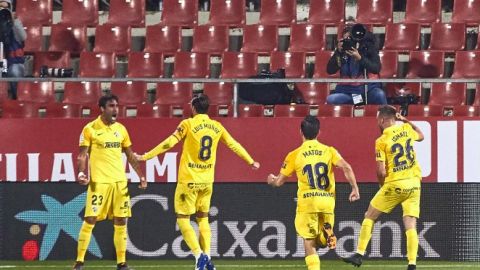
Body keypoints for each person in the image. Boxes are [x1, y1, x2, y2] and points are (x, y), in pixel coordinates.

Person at [136, 94, 260, 270]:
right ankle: (207, 258)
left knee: (182, 219)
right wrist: (250, 161)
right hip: (207, 182)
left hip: (189, 181)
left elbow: (169, 143)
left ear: (193, 108)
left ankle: (199, 255)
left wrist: (146, 156)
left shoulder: (188, 124)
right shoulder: (217, 126)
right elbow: (234, 144)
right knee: (203, 219)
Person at [267, 115, 360, 270]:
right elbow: (346, 167)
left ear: (300, 132)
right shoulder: (329, 151)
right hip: (327, 201)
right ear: (319, 132)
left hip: (308, 203)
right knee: (321, 241)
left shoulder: (294, 154)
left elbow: (279, 182)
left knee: (309, 242)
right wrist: (354, 188)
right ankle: (325, 235)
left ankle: (324, 237)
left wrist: (271, 180)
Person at [343, 105, 424, 270]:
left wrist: (382, 185)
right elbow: (422, 136)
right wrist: (405, 120)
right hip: (415, 183)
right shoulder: (407, 129)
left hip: (395, 183)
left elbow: (380, 170)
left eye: (377, 120)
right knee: (410, 223)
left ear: (382, 120)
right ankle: (412, 264)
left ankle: (359, 254)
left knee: (370, 216)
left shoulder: (381, 141)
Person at [73, 94, 148, 270]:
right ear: (102, 108)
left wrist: (141, 175)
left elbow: (129, 154)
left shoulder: (121, 129)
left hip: (119, 183)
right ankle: (79, 262)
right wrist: (82, 173)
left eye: (116, 105)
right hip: (99, 183)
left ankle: (122, 263)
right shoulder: (90, 129)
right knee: (90, 219)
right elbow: (82, 155)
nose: (115, 109)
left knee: (121, 221)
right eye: (111, 106)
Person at [326, 22, 387, 105]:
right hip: (350, 94)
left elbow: (376, 68)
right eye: (346, 39)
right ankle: (358, 102)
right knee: (332, 99)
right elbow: (330, 70)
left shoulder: (367, 47)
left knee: (379, 94)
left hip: (367, 92)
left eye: (350, 39)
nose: (349, 41)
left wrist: (360, 58)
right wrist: (338, 52)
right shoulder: (342, 51)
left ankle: (387, 116)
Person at [0, 0, 26, 99]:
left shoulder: (15, 24)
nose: (3, 11)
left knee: (15, 71)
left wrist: (14, 21)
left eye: (5, 8)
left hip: (14, 63)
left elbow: (23, 37)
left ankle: (17, 100)